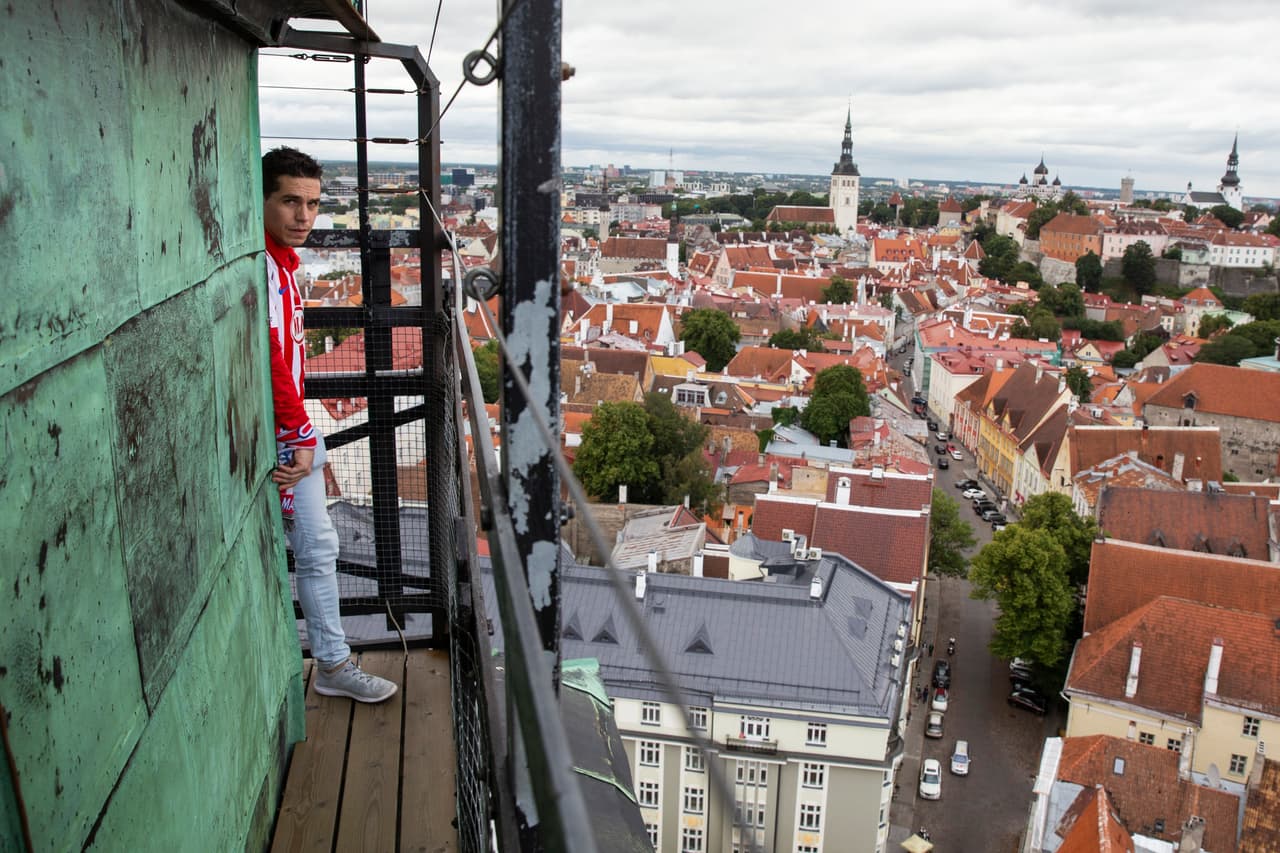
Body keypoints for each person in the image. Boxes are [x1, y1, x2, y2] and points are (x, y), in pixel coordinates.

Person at [263, 147, 397, 704]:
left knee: (315, 545)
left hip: (287, 429)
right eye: (290, 201)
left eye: (313, 204)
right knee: (315, 545)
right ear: (262, 198)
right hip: (283, 434)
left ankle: (331, 662)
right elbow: (271, 355)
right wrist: (299, 433)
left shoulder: (283, 266)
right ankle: (333, 664)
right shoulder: (266, 269)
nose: (304, 216)